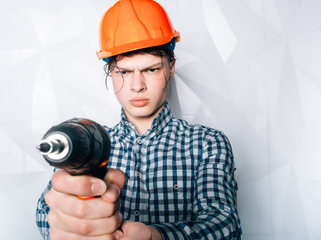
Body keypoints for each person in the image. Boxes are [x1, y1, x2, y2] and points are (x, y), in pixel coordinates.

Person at [36, 0, 242, 239]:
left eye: (151, 69)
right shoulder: (87, 143)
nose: (137, 86)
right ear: (110, 72)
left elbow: (225, 224)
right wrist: (68, 218)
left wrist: (157, 236)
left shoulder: (207, 143)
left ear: (171, 67)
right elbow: (45, 215)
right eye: (123, 72)